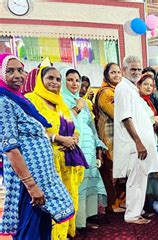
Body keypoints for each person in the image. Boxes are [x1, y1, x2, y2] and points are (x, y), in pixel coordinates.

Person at [0, 53, 74, 239]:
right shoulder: (3, 103)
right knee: (30, 231)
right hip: (27, 183)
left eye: (20, 70)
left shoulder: (20, 100)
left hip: (41, 178)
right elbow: (10, 148)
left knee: (41, 230)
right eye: (10, 71)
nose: (17, 75)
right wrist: (31, 186)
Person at [26, 66, 87, 239]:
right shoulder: (31, 100)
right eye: (50, 78)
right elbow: (31, 129)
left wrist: (74, 137)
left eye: (57, 79)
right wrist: (58, 139)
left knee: (69, 197)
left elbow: (73, 127)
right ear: (40, 80)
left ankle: (66, 233)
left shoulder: (60, 102)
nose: (54, 82)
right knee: (53, 200)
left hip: (67, 159)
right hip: (47, 160)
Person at [114, 56, 158, 224]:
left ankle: (137, 210)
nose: (136, 72)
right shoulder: (123, 88)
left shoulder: (132, 89)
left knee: (141, 179)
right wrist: (138, 142)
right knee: (135, 180)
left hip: (141, 144)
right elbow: (126, 118)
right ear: (124, 69)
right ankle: (132, 215)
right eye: (132, 69)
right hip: (135, 145)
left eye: (138, 69)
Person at [60, 67, 107, 231]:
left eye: (77, 80)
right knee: (77, 185)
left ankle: (87, 218)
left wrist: (97, 148)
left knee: (89, 182)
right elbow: (63, 123)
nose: (75, 83)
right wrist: (78, 107)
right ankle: (76, 223)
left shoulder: (83, 102)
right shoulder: (60, 100)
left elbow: (91, 127)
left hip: (88, 148)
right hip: (73, 149)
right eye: (70, 79)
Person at [94, 63, 124, 213]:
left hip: (118, 136)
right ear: (106, 75)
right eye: (113, 72)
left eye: (119, 72)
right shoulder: (106, 93)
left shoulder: (117, 90)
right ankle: (112, 204)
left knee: (119, 170)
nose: (117, 75)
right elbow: (117, 114)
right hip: (109, 137)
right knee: (111, 170)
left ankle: (119, 201)